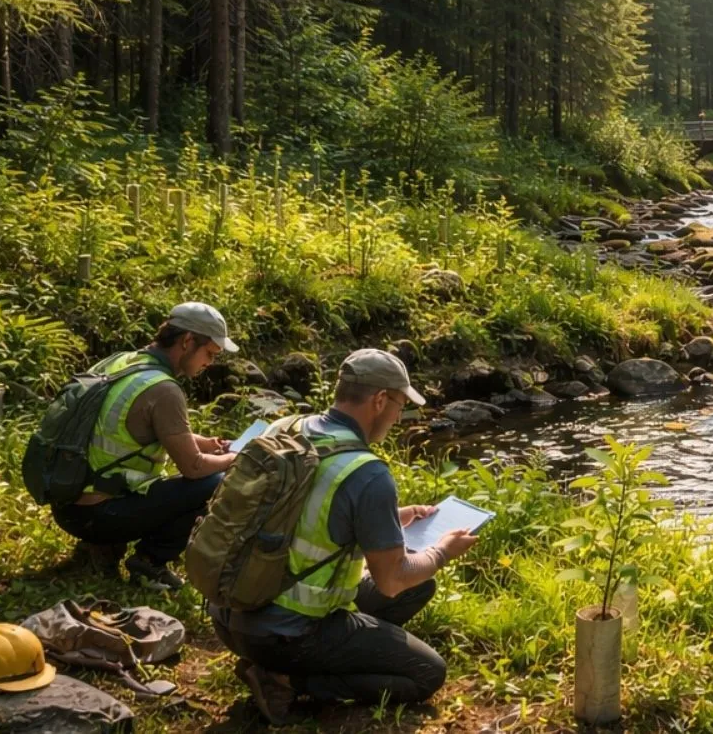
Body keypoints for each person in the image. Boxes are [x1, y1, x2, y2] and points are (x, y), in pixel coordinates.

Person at [209, 349, 477, 725]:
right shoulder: (367, 473)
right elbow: (392, 579)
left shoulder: (285, 428)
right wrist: (443, 551)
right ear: (380, 400)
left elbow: (291, 511)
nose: (400, 416)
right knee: (426, 673)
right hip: (286, 635)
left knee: (420, 587)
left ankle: (280, 662)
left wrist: (389, 519)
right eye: (400, 404)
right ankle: (284, 678)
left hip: (227, 613)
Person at [51, 302, 240, 590]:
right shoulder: (164, 390)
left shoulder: (124, 362)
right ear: (188, 341)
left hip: (68, 503)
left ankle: (100, 549)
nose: (209, 363)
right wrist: (237, 457)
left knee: (208, 475)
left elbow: (130, 426)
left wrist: (206, 443)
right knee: (220, 481)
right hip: (99, 516)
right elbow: (194, 468)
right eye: (210, 353)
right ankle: (150, 561)